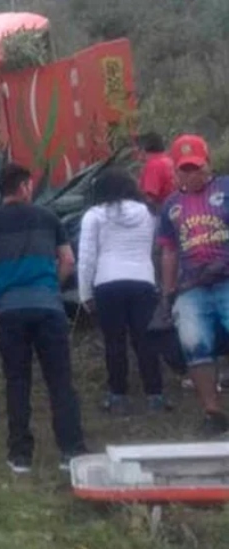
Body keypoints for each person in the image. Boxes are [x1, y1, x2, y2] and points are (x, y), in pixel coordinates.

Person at [0, 163, 87, 473]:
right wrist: (51, 287)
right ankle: (71, 451)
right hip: (48, 307)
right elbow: (68, 260)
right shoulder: (48, 218)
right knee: (59, 380)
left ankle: (20, 455)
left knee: (17, 381)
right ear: (24, 187)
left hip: (10, 310)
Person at [77, 168, 166, 413]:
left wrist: (85, 294)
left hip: (107, 282)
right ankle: (155, 394)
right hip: (142, 281)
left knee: (114, 341)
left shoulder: (94, 216)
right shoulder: (148, 214)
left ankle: (118, 395)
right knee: (145, 340)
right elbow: (154, 250)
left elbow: (86, 259)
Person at [158, 134, 229, 436]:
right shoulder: (171, 205)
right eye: (184, 169)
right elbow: (169, 250)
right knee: (193, 343)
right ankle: (213, 412)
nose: (191, 174)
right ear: (175, 171)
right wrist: (167, 292)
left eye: (196, 167)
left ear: (207, 165)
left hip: (226, 278)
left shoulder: (225, 189)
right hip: (192, 287)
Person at [139, 132, 175, 213]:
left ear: (143, 149)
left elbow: (150, 197)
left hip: (162, 213)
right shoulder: (169, 161)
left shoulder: (153, 165)